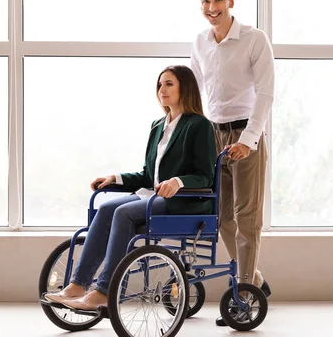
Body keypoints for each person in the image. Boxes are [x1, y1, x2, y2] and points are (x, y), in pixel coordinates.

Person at [44, 65, 216, 311]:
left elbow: (205, 176)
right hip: (153, 195)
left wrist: (177, 182)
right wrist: (115, 178)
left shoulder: (199, 125)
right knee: (105, 209)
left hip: (183, 201)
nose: (161, 90)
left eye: (169, 84)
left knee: (123, 214)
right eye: (159, 85)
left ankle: (104, 290)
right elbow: (148, 175)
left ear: (185, 88)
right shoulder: (158, 126)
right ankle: (78, 285)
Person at [189, 0, 275, 326]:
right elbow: (195, 91)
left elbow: (266, 93)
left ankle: (243, 296)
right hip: (213, 136)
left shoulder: (254, 40)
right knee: (221, 216)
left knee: (247, 217)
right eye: (206, 1)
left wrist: (248, 140)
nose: (212, 8)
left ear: (231, 1)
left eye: (218, 0)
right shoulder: (200, 42)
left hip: (245, 136)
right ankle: (254, 280)